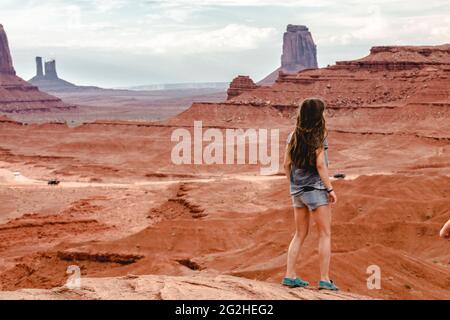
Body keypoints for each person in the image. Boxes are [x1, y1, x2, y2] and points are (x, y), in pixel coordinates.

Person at [282, 98, 339, 291]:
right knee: (325, 234)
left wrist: (294, 184)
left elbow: (286, 165)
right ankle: (324, 279)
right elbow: (321, 165)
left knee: (299, 234)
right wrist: (330, 189)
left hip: (297, 191)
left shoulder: (292, 136)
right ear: (317, 115)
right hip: (315, 189)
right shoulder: (318, 136)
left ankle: (290, 276)